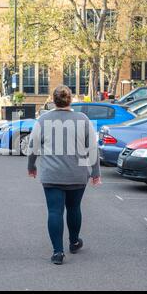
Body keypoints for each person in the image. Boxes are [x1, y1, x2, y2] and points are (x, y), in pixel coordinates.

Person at [28, 85, 101, 265]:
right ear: (71, 100)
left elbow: (33, 146)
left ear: (53, 100)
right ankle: (74, 242)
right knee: (74, 208)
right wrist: (96, 172)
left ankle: (58, 252)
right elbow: (93, 148)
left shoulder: (43, 120)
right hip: (77, 173)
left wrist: (31, 166)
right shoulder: (83, 119)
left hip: (51, 174)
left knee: (54, 211)